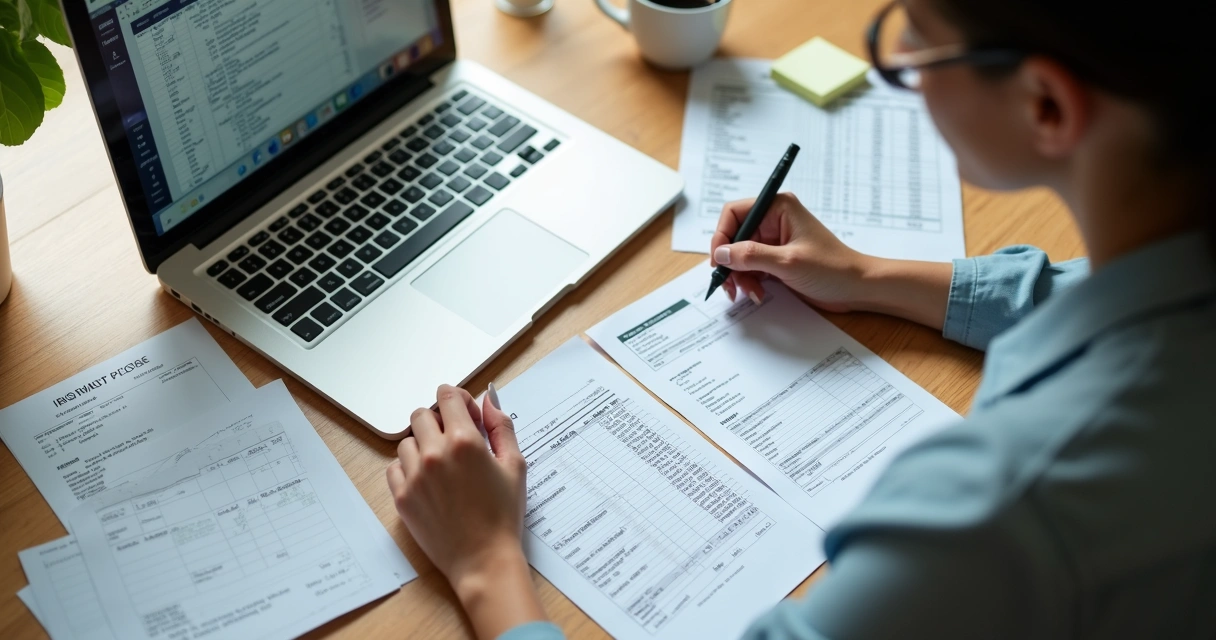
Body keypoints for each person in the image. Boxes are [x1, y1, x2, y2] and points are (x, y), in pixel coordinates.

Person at [384, 0, 1216, 636]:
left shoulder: (1006, 506)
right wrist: (870, 277)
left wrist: (488, 561)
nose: (908, 64)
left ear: (1045, 107)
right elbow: (1082, 290)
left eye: (919, 35)